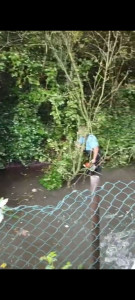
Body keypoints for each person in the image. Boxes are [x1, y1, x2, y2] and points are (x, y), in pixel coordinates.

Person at [76, 126, 101, 192]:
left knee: (94, 167)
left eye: (79, 131)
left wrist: (94, 158)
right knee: (87, 165)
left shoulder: (91, 138)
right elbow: (79, 143)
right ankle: (90, 174)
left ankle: (95, 183)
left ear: (83, 132)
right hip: (88, 153)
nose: (78, 132)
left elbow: (96, 148)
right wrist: (78, 146)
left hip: (94, 153)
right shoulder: (82, 137)